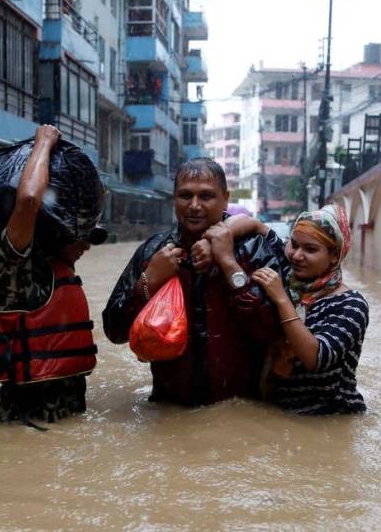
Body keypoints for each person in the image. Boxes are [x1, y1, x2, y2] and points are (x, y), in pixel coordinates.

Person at [102, 159, 289, 407]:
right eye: (185, 195)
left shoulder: (252, 248)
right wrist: (149, 282)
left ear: (225, 198)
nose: (194, 206)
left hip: (241, 411)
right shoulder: (154, 252)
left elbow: (275, 330)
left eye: (206, 196)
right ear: (174, 198)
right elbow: (114, 331)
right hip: (169, 410)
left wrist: (229, 263)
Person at [0, 125, 106, 429]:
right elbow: (29, 201)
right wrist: (44, 142)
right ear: (54, 233)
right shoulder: (13, 267)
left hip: (60, 425)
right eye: (80, 235)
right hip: (29, 426)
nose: (86, 245)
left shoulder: (48, 270)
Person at [205, 204, 369, 415]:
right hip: (281, 412)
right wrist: (211, 241)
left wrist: (281, 298)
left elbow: (315, 357)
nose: (297, 255)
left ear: (334, 256)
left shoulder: (350, 304)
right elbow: (252, 223)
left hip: (328, 418)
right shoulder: (285, 267)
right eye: (294, 244)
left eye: (310, 249)